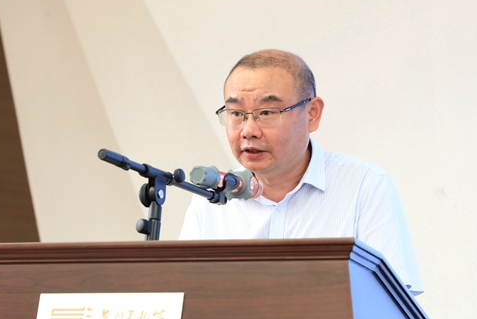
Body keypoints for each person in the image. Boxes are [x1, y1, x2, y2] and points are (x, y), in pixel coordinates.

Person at [180, 49, 424, 295]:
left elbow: (392, 303)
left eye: (267, 113)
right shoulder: (210, 201)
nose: (248, 130)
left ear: (312, 114)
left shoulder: (364, 185)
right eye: (236, 114)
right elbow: (184, 297)